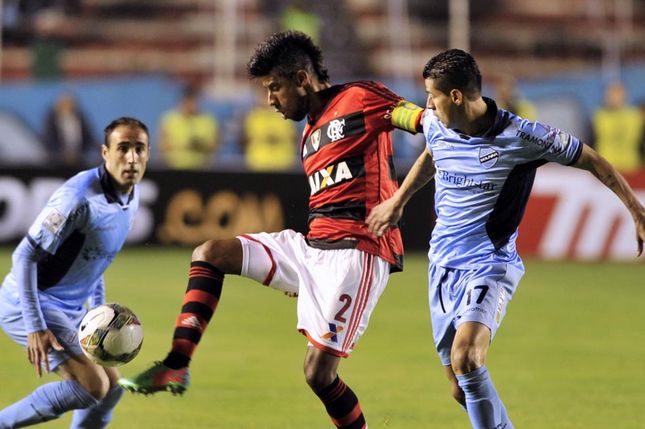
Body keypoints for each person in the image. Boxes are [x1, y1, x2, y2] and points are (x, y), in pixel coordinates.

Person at [118, 30, 424, 429]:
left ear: (302, 79)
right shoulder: (309, 132)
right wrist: (305, 274)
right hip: (311, 249)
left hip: (358, 250)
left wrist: (398, 200)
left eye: (274, 88)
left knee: (318, 374)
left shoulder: (362, 98)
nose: (270, 101)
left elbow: (430, 127)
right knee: (210, 253)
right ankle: (176, 364)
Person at [366, 49, 645, 429]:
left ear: (457, 97)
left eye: (433, 95)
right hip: (442, 266)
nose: (427, 104)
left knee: (467, 357)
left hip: (490, 263)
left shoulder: (523, 136)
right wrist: (398, 200)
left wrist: (636, 210)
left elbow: (591, 159)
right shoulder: (436, 123)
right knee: (460, 387)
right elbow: (433, 153)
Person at [0, 117, 151, 429]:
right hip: (28, 301)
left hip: (68, 309)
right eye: (123, 148)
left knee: (111, 390)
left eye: (140, 149)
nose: (132, 158)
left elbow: (94, 261)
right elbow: (24, 256)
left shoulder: (131, 196)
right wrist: (35, 326)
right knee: (92, 386)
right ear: (105, 152)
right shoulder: (78, 199)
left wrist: (98, 312)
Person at [158, 84, 219, 170]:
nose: (191, 104)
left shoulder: (208, 120)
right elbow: (163, 145)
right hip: (175, 168)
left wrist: (199, 144)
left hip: (201, 168)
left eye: (194, 101)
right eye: (188, 100)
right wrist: (184, 144)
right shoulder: (169, 119)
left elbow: (214, 145)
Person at [592, 81, 643, 173]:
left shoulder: (635, 116)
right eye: (611, 94)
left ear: (626, 95)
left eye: (618, 94)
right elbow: (590, 141)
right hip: (606, 167)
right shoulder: (598, 116)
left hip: (631, 167)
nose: (615, 98)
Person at [242, 87, 298, 171]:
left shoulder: (285, 115)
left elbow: (293, 137)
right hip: (258, 164)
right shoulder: (253, 117)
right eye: (263, 96)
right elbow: (245, 139)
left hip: (283, 164)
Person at [43, 92, 97, 168]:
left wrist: (81, 154)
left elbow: (89, 137)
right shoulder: (51, 120)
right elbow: (49, 141)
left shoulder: (80, 117)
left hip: (80, 158)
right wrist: (62, 155)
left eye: (69, 104)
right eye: (64, 104)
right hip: (58, 161)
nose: (67, 107)